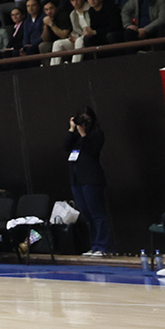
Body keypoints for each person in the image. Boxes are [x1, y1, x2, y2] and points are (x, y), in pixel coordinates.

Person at [67, 108, 110, 256]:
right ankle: (94, 245)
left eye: (86, 119)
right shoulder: (76, 137)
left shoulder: (96, 134)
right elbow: (65, 147)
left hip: (91, 179)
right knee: (86, 214)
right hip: (77, 179)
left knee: (96, 212)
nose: (83, 122)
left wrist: (83, 134)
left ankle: (103, 246)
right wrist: (72, 130)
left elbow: (93, 151)